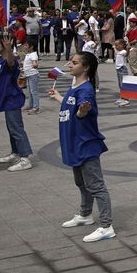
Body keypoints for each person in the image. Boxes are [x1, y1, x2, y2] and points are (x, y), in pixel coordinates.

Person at [53, 51, 116, 242]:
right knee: (82, 183)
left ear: (85, 67)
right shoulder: (76, 87)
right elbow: (71, 105)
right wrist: (58, 97)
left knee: (96, 186)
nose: (69, 65)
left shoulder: (86, 90)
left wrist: (82, 111)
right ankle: (85, 214)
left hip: (85, 145)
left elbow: (82, 111)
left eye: (74, 63)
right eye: (70, 62)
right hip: (74, 143)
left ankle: (106, 226)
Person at [0, 32, 35, 171]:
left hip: (12, 99)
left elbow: (10, 61)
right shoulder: (0, 60)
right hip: (5, 100)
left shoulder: (10, 62)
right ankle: (15, 152)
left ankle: (25, 158)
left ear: (5, 45)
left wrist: (9, 49)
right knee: (11, 128)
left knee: (17, 129)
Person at [21, 41, 42, 114]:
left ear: (31, 46)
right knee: (30, 91)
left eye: (26, 45)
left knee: (34, 91)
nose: (25, 47)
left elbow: (35, 64)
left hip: (33, 75)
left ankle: (36, 107)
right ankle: (31, 105)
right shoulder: (28, 54)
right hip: (28, 75)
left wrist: (34, 64)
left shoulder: (33, 54)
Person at [112, 39, 133, 108]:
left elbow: (126, 54)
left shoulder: (123, 51)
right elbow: (116, 52)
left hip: (122, 69)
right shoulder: (118, 51)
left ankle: (126, 100)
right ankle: (122, 98)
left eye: (117, 45)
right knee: (120, 84)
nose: (116, 46)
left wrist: (128, 49)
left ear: (121, 45)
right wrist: (114, 47)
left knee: (123, 84)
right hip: (118, 69)